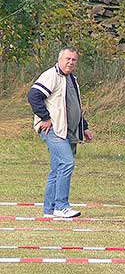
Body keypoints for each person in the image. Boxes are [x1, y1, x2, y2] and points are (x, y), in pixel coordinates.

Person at [27, 47, 93, 218]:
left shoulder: (72, 79)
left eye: (73, 60)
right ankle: (61, 206)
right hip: (53, 129)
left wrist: (84, 127)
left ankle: (49, 209)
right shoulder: (51, 75)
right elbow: (34, 96)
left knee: (57, 169)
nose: (70, 62)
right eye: (67, 59)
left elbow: (75, 105)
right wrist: (45, 118)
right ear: (59, 59)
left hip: (68, 131)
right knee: (67, 163)